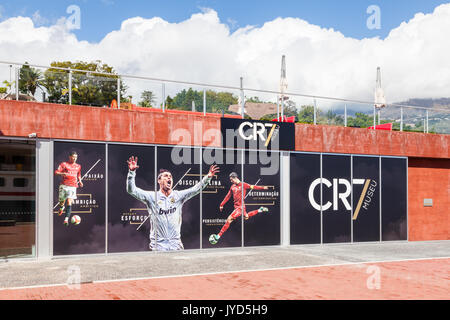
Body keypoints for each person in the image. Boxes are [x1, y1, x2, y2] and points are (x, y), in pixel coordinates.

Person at [126, 156, 219, 251]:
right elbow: (132, 190)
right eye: (166, 176)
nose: (169, 178)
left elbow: (195, 189)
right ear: (159, 180)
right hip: (158, 247)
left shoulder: (178, 196)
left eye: (170, 176)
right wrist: (131, 173)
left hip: (176, 246)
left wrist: (208, 177)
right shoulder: (152, 197)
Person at [210, 172, 269, 244]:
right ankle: (260, 210)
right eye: (230, 180)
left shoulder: (244, 185)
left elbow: (253, 186)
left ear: (235, 178)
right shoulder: (232, 187)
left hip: (240, 207)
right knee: (246, 216)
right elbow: (228, 196)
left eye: (232, 179)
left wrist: (263, 188)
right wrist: (221, 204)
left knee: (229, 219)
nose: (231, 181)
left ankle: (217, 236)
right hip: (238, 207)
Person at [55, 151, 83, 226]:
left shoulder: (78, 166)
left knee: (69, 201)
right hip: (64, 185)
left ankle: (66, 219)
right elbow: (56, 172)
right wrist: (62, 173)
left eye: (76, 157)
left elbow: (79, 175)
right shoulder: (64, 164)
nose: (74, 158)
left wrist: (80, 181)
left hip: (73, 186)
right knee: (62, 201)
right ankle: (61, 207)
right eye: (73, 157)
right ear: (70, 157)